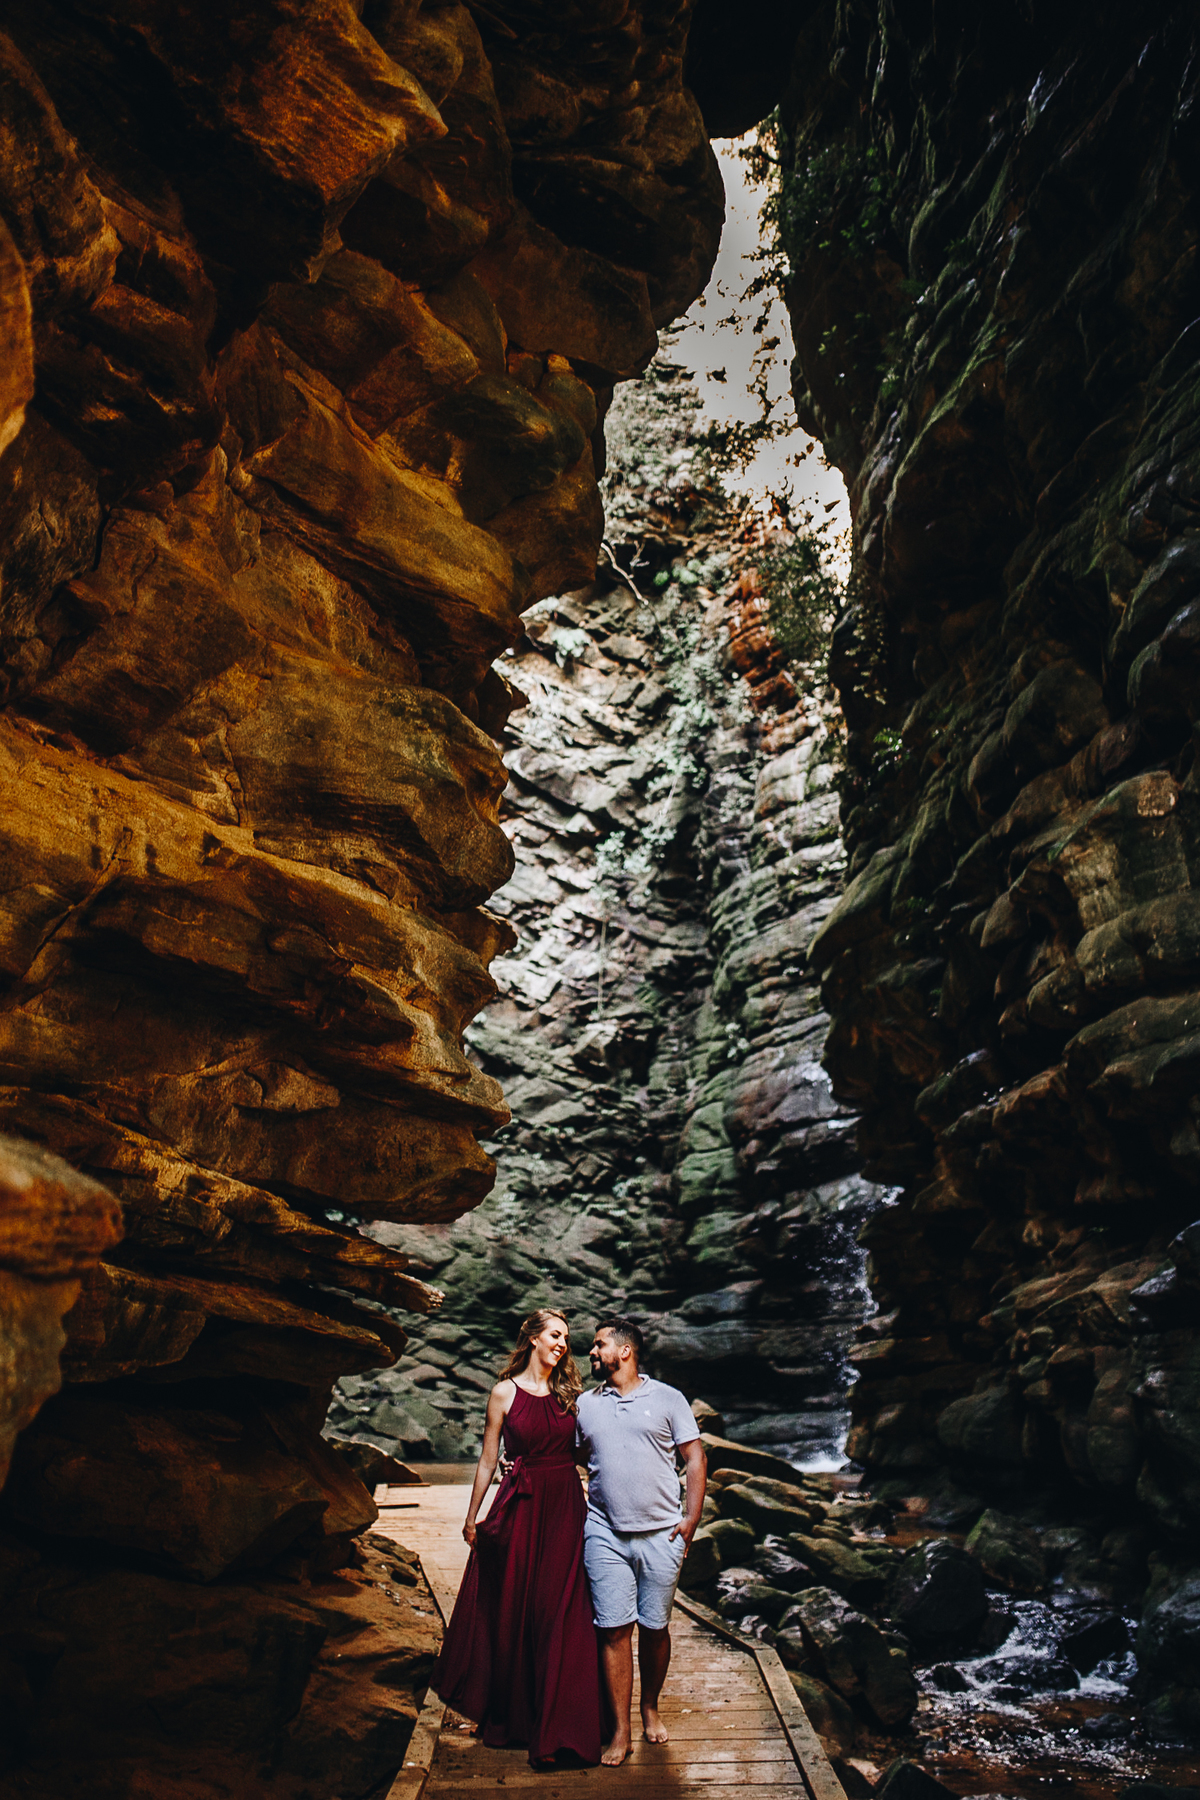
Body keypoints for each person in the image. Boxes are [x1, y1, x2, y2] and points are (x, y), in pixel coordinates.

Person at [434, 1307, 603, 1768]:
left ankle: (562, 1727)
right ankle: (516, 1719)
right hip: (522, 1509)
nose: (563, 1343)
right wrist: (472, 1517)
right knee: (516, 1610)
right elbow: (489, 1459)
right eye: (555, 1334)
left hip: (566, 1507)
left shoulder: (572, 1393)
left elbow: (593, 1449)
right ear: (532, 1338)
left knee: (561, 1611)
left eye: (566, 1337)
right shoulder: (503, 1393)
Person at [576, 1314, 707, 1767]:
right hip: (604, 1532)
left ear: (624, 1350)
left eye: (598, 1345)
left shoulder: (669, 1399)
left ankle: (650, 1706)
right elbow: (571, 1456)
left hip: (661, 1533)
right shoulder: (585, 1405)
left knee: (654, 1629)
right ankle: (621, 1730)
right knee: (613, 1630)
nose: (591, 1352)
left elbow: (694, 1458)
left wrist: (690, 1519)